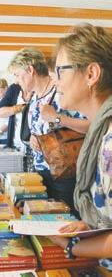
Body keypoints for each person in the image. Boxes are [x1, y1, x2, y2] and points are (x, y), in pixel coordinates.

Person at [48, 23, 112, 270]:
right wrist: (92, 227)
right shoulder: (101, 130)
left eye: (60, 71)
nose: (55, 82)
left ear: (91, 74)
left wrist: (71, 246)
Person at [8, 47, 90, 212]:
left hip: (64, 174)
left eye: (17, 75)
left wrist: (57, 118)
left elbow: (92, 125)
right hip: (41, 173)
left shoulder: (61, 92)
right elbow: (41, 128)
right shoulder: (34, 97)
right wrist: (33, 136)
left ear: (30, 70)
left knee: (66, 223)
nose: (16, 81)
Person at [0, 83, 27, 150]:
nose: (16, 80)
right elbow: (0, 112)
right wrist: (23, 107)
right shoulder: (14, 88)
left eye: (17, 74)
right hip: (16, 143)